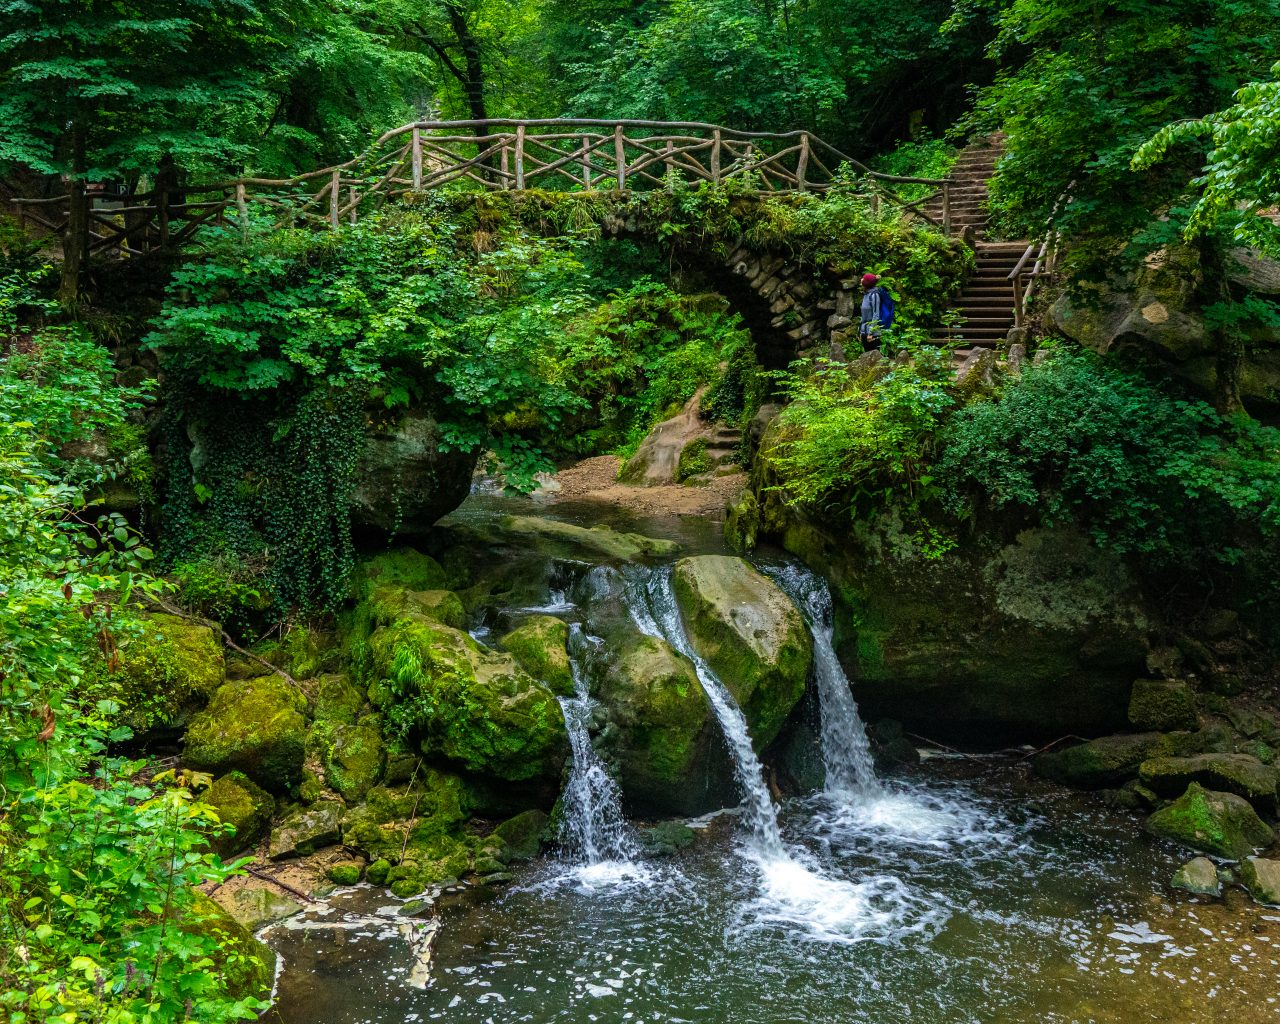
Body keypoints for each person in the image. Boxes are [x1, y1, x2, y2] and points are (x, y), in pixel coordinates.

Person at [858, 272, 894, 348]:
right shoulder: (866, 294)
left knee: (875, 357)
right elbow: (863, 315)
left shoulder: (874, 295)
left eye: (863, 278)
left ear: (867, 283)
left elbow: (876, 314)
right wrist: (860, 331)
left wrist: (870, 333)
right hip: (865, 331)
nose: (861, 279)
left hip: (873, 333)